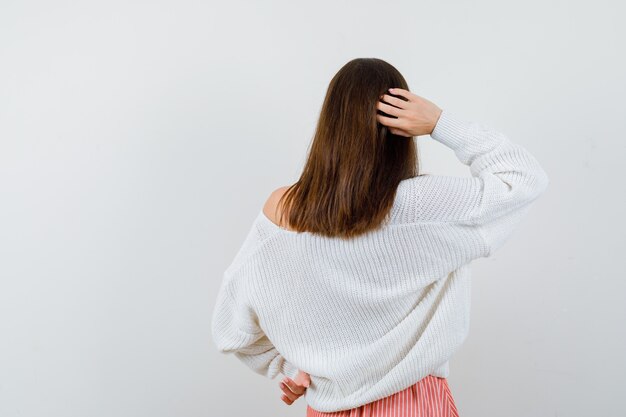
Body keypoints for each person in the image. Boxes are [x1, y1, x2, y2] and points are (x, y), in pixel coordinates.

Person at [211, 58, 549, 416]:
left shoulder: (283, 209)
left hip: (328, 409)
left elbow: (231, 325)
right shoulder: (421, 204)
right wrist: (439, 123)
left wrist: (295, 369)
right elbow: (523, 178)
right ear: (401, 128)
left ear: (330, 122)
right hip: (414, 405)